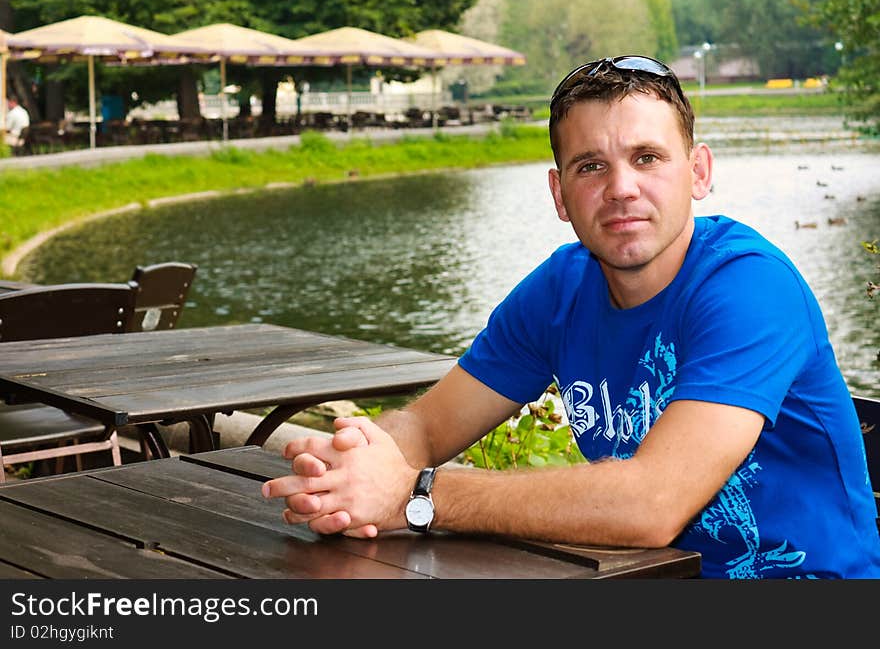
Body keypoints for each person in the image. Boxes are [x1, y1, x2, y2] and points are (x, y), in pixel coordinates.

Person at [263, 55, 880, 578]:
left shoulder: (750, 287)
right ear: (560, 195)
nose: (621, 188)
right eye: (592, 166)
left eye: (647, 158)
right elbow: (427, 428)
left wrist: (417, 497)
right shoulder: (562, 288)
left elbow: (650, 504)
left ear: (698, 173)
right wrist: (349, 464)